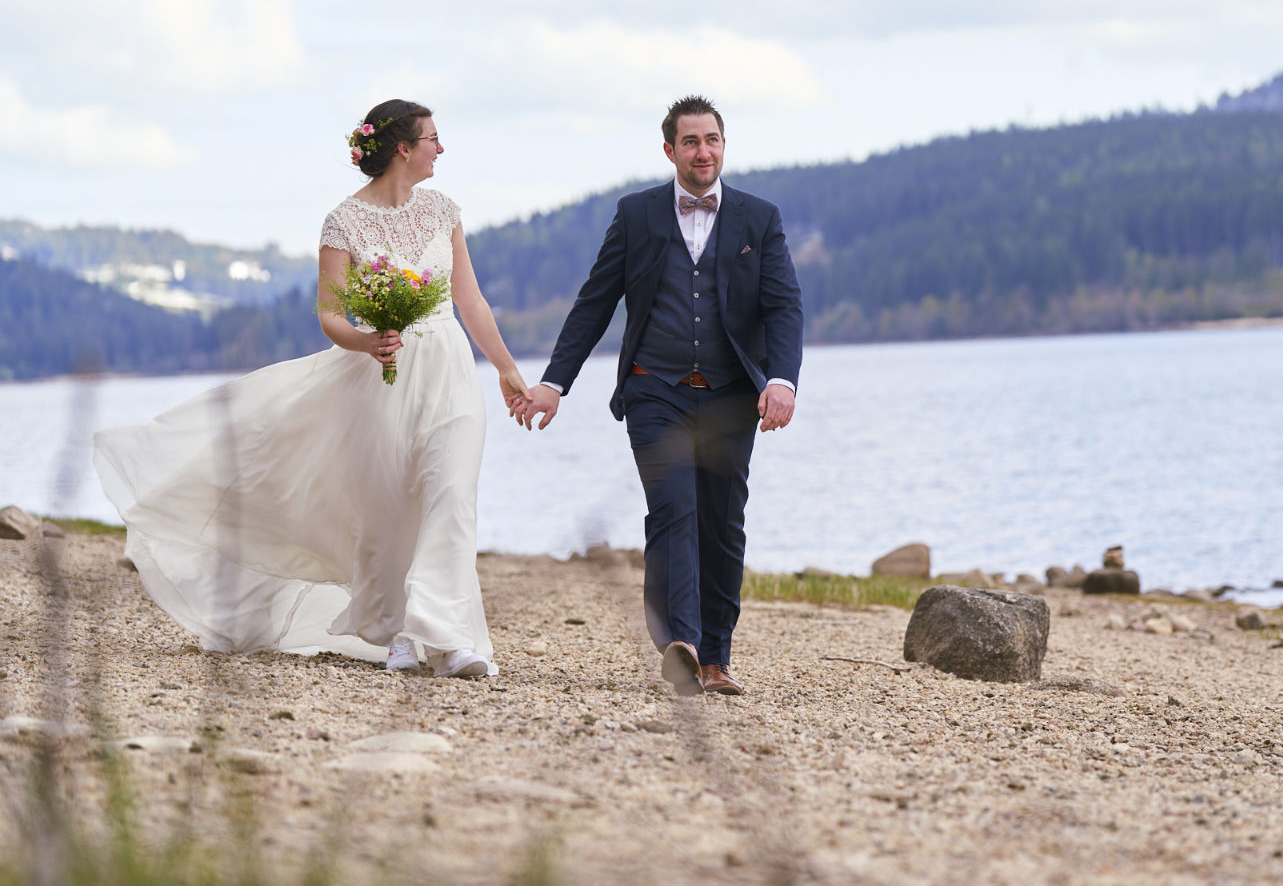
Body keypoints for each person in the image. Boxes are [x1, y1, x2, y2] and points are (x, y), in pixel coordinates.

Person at [94, 99, 532, 678]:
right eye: (433, 137)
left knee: (451, 495)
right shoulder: (342, 222)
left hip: (448, 368)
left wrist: (504, 367)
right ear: (404, 147)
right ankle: (395, 630)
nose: (440, 148)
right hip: (377, 376)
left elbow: (469, 300)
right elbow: (330, 317)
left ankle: (448, 637)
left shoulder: (445, 211)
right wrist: (366, 341)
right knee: (386, 508)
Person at [516, 95, 802, 696]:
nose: (703, 152)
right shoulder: (637, 214)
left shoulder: (759, 217)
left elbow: (783, 307)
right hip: (655, 390)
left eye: (713, 140)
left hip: (730, 397)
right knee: (673, 508)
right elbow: (595, 303)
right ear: (669, 150)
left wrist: (782, 379)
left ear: (724, 146)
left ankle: (718, 656)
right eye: (691, 142)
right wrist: (554, 381)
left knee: (722, 521)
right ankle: (683, 645)